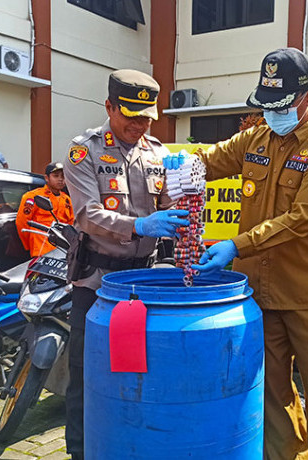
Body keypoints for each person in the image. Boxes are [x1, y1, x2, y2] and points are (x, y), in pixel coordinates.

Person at [167, 48, 308, 459]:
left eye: (282, 105)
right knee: (271, 396)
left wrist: (237, 245)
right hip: (259, 294)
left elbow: (301, 218)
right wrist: (165, 158)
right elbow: (211, 159)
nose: (272, 114)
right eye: (266, 106)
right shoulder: (256, 138)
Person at [62, 69, 189, 460]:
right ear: (109, 107)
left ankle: (130, 445)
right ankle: (81, 452)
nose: (139, 125)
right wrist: (138, 225)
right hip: (97, 283)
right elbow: (86, 214)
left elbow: (171, 206)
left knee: (138, 371)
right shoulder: (84, 151)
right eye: (131, 115)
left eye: (146, 117)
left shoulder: (158, 153)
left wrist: (184, 200)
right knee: (87, 375)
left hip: (145, 283)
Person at [15, 162, 74, 257]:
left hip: (62, 249)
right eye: (56, 176)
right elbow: (22, 223)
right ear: (47, 178)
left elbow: (71, 224)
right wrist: (29, 245)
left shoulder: (67, 200)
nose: (60, 179)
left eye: (63, 176)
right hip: (41, 247)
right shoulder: (33, 196)